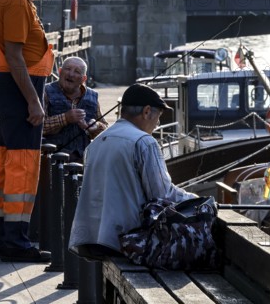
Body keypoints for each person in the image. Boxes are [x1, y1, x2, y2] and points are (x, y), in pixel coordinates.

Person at [69, 83, 198, 260]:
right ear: (146, 112)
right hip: (125, 241)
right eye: (158, 117)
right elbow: (162, 194)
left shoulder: (97, 142)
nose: (158, 123)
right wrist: (197, 201)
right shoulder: (144, 142)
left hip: (90, 240)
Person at [0, 0, 54, 262]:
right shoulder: (15, 2)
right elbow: (15, 56)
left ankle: (2, 237)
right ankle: (16, 240)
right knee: (22, 164)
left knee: (9, 160)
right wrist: (33, 100)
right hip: (19, 91)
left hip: (14, 88)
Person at [43, 56, 108, 162]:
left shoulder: (92, 97)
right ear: (60, 71)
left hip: (82, 160)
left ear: (83, 79)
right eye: (67, 69)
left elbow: (106, 132)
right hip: (51, 160)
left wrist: (95, 127)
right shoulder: (45, 92)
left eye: (77, 71)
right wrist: (65, 118)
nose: (71, 74)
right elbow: (38, 127)